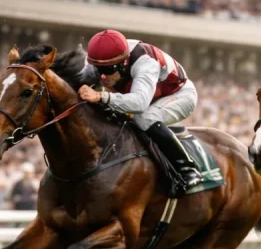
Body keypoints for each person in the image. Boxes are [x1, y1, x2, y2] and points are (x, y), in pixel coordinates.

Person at [77, 30, 202, 190]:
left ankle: (187, 169)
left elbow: (139, 104)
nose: (102, 77)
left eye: (108, 70)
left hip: (180, 94)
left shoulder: (145, 62)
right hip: (144, 94)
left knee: (144, 118)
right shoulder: (101, 61)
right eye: (98, 70)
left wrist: (102, 97)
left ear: (123, 63)